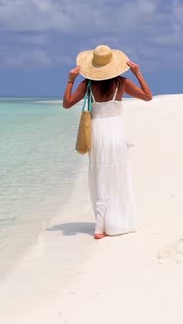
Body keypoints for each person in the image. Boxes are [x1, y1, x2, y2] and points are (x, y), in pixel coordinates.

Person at [63, 44, 153, 239]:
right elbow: (148, 96)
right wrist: (138, 73)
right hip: (115, 132)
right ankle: (114, 221)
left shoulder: (87, 84)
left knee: (100, 175)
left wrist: (71, 80)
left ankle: (99, 226)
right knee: (116, 175)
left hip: (97, 132)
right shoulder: (121, 83)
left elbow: (67, 103)